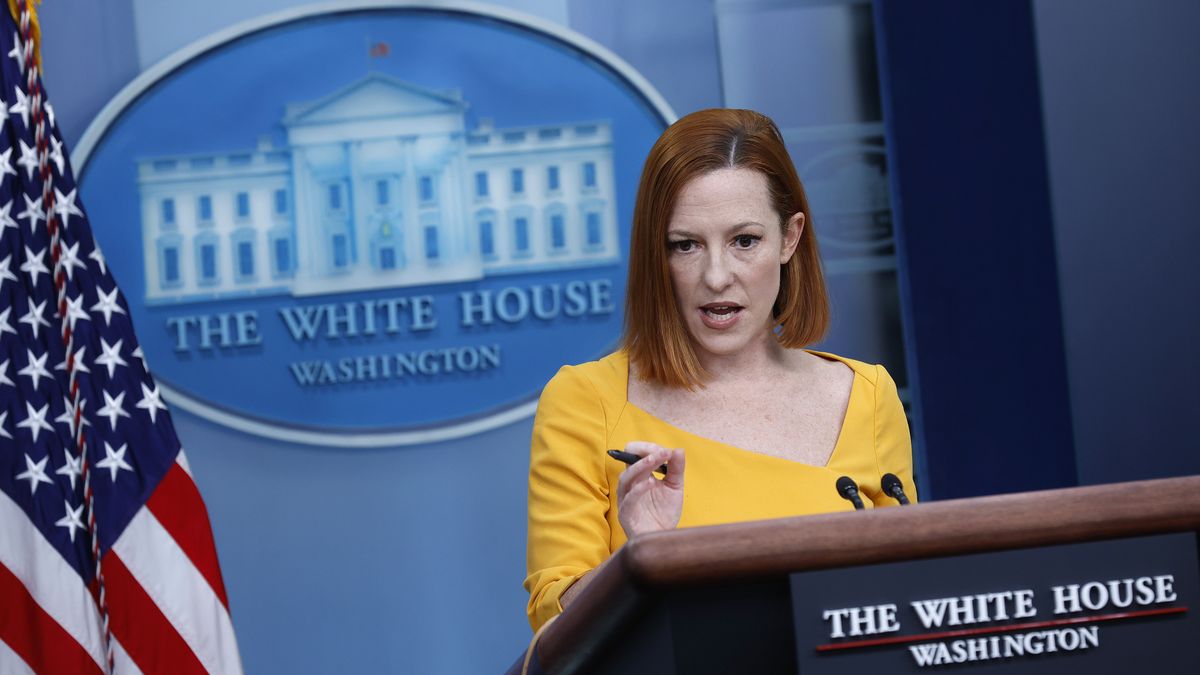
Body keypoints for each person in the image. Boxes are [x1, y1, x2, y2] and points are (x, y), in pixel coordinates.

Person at [523, 108, 916, 632]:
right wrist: (643, 558)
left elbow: (906, 602)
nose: (715, 276)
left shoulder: (866, 396)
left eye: (744, 241)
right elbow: (553, 625)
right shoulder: (584, 400)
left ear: (790, 238)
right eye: (685, 245)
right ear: (656, 255)